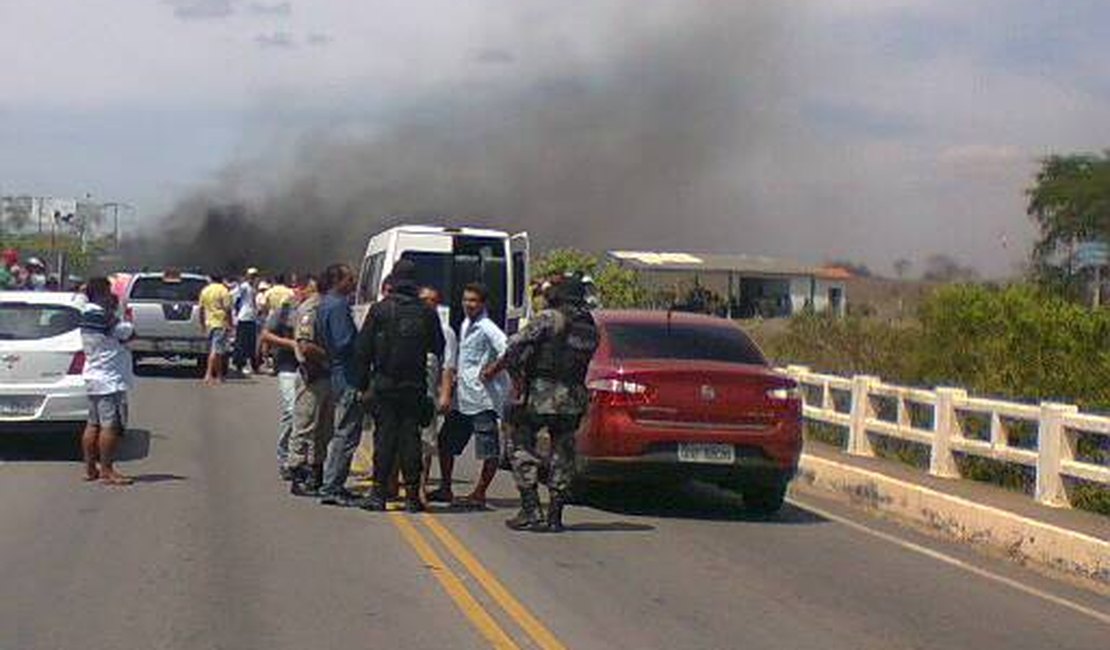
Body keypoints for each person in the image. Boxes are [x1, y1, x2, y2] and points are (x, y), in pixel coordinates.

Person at [484, 275, 599, 532]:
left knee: (518, 444)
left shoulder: (549, 318)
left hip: (540, 394)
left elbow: (515, 345)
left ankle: (531, 509)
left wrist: (510, 373)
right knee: (563, 453)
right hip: (573, 397)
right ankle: (555, 516)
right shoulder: (591, 326)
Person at [354, 259, 445, 512]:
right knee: (410, 439)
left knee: (384, 439)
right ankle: (413, 497)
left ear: (393, 281)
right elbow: (438, 347)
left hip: (385, 384)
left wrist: (363, 385)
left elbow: (362, 350)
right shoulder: (427, 312)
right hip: (414, 385)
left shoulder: (380, 310)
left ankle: (379, 494)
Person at [429, 283, 508, 509]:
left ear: (483, 304)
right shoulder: (465, 324)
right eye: (466, 300)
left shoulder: (487, 327)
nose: (468, 304)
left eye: (473, 300)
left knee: (488, 448)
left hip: (484, 398)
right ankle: (445, 488)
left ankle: (480, 492)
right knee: (446, 444)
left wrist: (493, 369)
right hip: (463, 397)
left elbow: (508, 350)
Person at [315, 263, 366, 507]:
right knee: (346, 432)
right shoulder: (338, 306)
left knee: (344, 430)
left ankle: (334, 484)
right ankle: (332, 486)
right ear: (338, 281)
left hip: (337, 371)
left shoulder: (326, 303)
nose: (353, 283)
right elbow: (345, 342)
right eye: (349, 279)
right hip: (347, 374)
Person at [79, 277, 135, 485]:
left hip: (94, 374)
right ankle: (107, 470)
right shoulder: (102, 316)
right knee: (109, 426)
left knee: (92, 424)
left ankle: (90, 469)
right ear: (102, 292)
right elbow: (129, 334)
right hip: (108, 378)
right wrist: (118, 312)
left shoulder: (86, 312)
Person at [286, 275, 332, 497]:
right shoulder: (310, 309)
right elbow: (305, 346)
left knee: (323, 428)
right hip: (312, 374)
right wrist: (332, 357)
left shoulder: (327, 307)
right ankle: (298, 471)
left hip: (326, 375)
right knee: (305, 424)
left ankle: (316, 472)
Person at [418, 287, 457, 502]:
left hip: (428, 394)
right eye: (425, 300)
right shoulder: (409, 323)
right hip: (406, 392)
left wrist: (445, 395)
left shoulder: (444, 330)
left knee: (426, 441)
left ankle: (421, 487)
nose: (429, 304)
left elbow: (448, 365)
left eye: (433, 300)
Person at [260, 287, 301, 480]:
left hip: (311, 368)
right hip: (287, 366)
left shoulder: (318, 310)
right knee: (291, 410)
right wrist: (290, 344)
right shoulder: (284, 311)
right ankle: (284, 457)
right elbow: (266, 335)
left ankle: (302, 459)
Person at [198, 273, 232, 385]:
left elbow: (201, 309)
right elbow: (228, 309)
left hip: (209, 323)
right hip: (220, 322)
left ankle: (219, 375)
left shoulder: (205, 290)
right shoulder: (223, 290)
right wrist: (230, 323)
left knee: (217, 351)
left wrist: (202, 324)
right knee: (216, 351)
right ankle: (208, 374)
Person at [230, 268, 260, 375]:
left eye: (255, 276)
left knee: (251, 343)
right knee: (242, 342)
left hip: (251, 317)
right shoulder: (244, 287)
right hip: (244, 317)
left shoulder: (253, 288)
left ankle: (253, 365)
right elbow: (234, 298)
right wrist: (236, 313)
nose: (254, 278)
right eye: (252, 276)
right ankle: (240, 364)